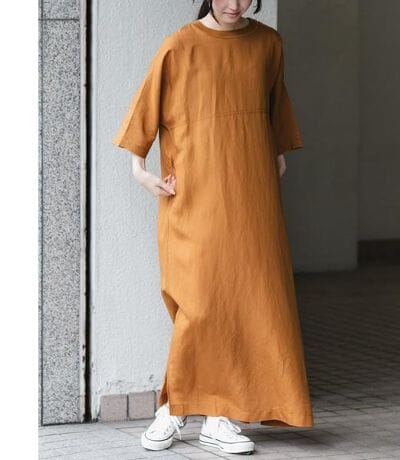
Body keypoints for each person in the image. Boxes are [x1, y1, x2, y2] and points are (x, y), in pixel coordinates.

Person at [112, 0, 314, 455]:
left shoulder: (267, 44)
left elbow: (275, 110)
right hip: (195, 191)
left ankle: (218, 418)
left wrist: (276, 156)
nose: (234, 4)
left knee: (243, 299)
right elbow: (145, 110)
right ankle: (175, 407)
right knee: (200, 301)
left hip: (251, 193)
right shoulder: (180, 45)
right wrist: (140, 171)